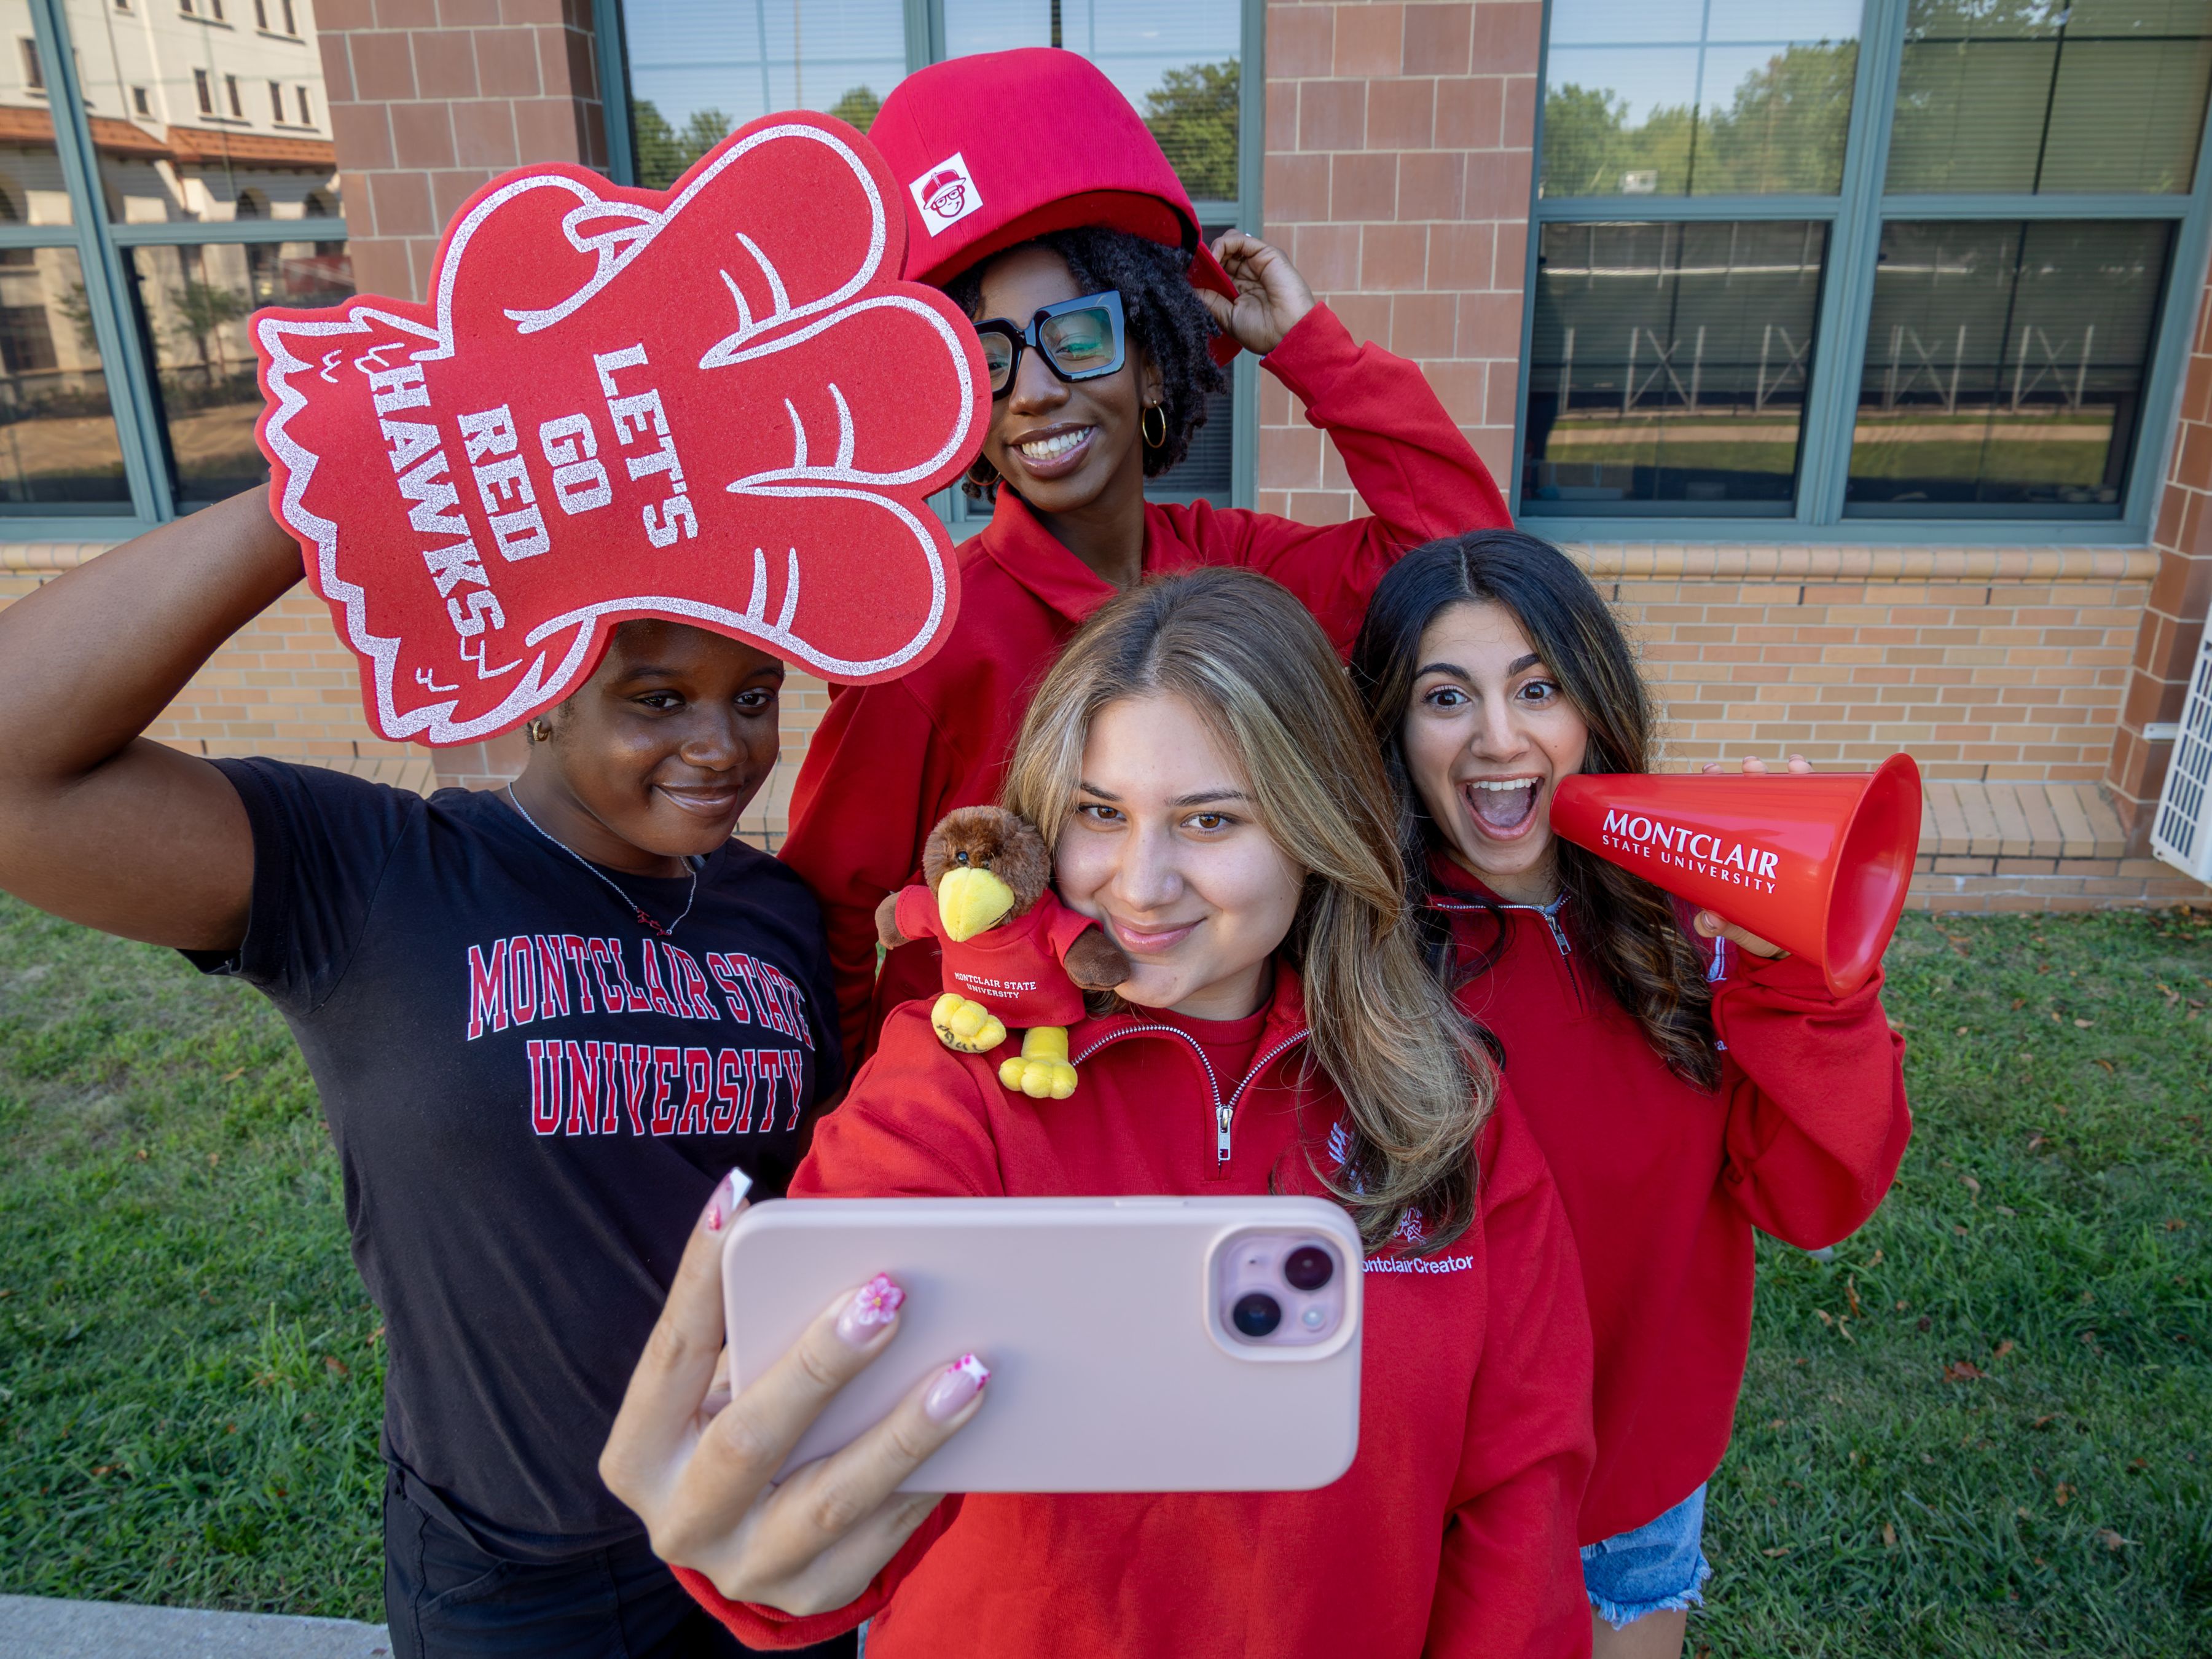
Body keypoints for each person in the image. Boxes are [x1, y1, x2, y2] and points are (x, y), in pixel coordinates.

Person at [601, 568, 1596, 1658]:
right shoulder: (950, 1088)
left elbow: (1520, 1488)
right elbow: (810, 1488)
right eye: (1100, 813)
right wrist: (755, 1556)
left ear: (1320, 825)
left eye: (1211, 820)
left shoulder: (1443, 1102)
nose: (1141, 882)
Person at [0, 488, 854, 1659]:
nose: (723, 748)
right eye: (659, 701)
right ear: (544, 692)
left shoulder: (778, 912)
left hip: (756, 1519)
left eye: (753, 699)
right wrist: (320, 485)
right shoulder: (377, 874)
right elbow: (14, 764)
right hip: (515, 1573)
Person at [781, 47, 1512, 1069]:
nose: (1032, 388)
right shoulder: (928, 636)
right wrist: (850, 1128)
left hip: (1219, 1091)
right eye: (987, 359)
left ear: (1155, 356)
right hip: (1001, 1116)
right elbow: (825, 922)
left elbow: (1468, 562)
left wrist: (1311, 349)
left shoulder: (1233, 571)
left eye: (1074, 335)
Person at [1349, 530, 1912, 1659]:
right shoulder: (1353, 952)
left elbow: (1816, 1198)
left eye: (1538, 689)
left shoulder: (1692, 928)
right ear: (1393, 731)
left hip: (1636, 1489)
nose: (1498, 740)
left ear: (1592, 711)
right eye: (1445, 697)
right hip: (1437, 1503)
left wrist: (1808, 986)